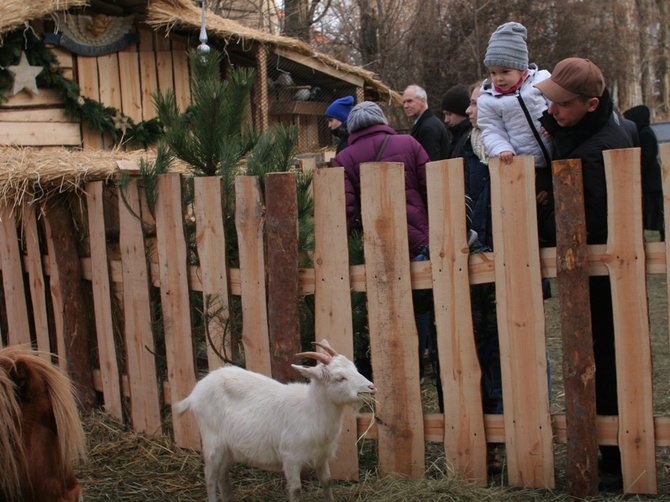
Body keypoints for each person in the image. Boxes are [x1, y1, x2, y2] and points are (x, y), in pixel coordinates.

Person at [534, 57, 637, 492]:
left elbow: (585, 221)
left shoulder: (599, 148)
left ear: (591, 104)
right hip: (593, 273)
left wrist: (543, 209)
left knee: (606, 365)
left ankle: (613, 461)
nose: (554, 111)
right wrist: (558, 131)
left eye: (563, 105)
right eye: (551, 102)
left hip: (603, 276)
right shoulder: (583, 132)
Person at [330, 101, 439, 406]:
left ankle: (386, 373)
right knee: (419, 305)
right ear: (381, 120)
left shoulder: (344, 158)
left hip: (376, 246)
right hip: (420, 240)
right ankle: (415, 370)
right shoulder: (409, 143)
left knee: (384, 307)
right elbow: (431, 187)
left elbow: (347, 211)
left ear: (352, 128)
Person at [463, 81, 503, 475]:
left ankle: (521, 430)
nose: (471, 109)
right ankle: (489, 445)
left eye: (477, 103)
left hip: (512, 268)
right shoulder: (466, 148)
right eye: (472, 104)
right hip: (475, 270)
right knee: (482, 353)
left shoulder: (511, 149)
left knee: (519, 353)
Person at [477, 21, 553, 193]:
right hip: (527, 164)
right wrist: (502, 148)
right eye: (493, 73)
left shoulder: (541, 81)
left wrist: (552, 123)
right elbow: (491, 130)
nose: (498, 79)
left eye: (505, 72)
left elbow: (556, 104)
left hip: (557, 151)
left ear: (522, 69)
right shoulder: (488, 100)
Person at [623, 105, 664, 240]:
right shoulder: (645, 131)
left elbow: (645, 158)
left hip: (650, 183)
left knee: (651, 213)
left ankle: (653, 237)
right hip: (651, 181)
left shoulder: (645, 133)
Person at [403, 84, 450, 161]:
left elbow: (431, 162)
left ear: (422, 101)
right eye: (404, 102)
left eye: (409, 101)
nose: (405, 106)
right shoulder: (426, 123)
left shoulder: (429, 127)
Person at [441, 84, 472, 158]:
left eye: (449, 114)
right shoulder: (458, 138)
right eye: (445, 114)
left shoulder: (469, 140)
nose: (446, 120)